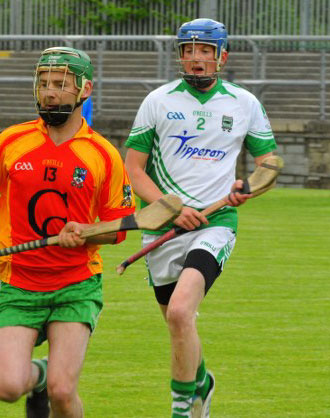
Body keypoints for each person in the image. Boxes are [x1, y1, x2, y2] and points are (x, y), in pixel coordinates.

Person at [0, 46, 135, 418]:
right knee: (6, 388)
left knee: (64, 392)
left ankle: (49, 381)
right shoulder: (11, 141)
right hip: (19, 284)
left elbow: (120, 226)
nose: (49, 92)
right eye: (43, 83)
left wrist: (87, 232)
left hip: (76, 284)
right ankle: (36, 376)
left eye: (60, 84)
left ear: (85, 90)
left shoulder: (102, 154)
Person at [124, 18, 277, 418]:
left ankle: (181, 411)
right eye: (188, 50)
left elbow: (269, 164)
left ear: (221, 56)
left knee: (179, 311)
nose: (196, 59)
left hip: (216, 224)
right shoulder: (158, 101)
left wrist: (251, 186)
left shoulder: (243, 103)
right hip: (164, 227)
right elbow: (134, 171)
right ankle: (202, 383)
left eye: (205, 51)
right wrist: (173, 208)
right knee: (178, 325)